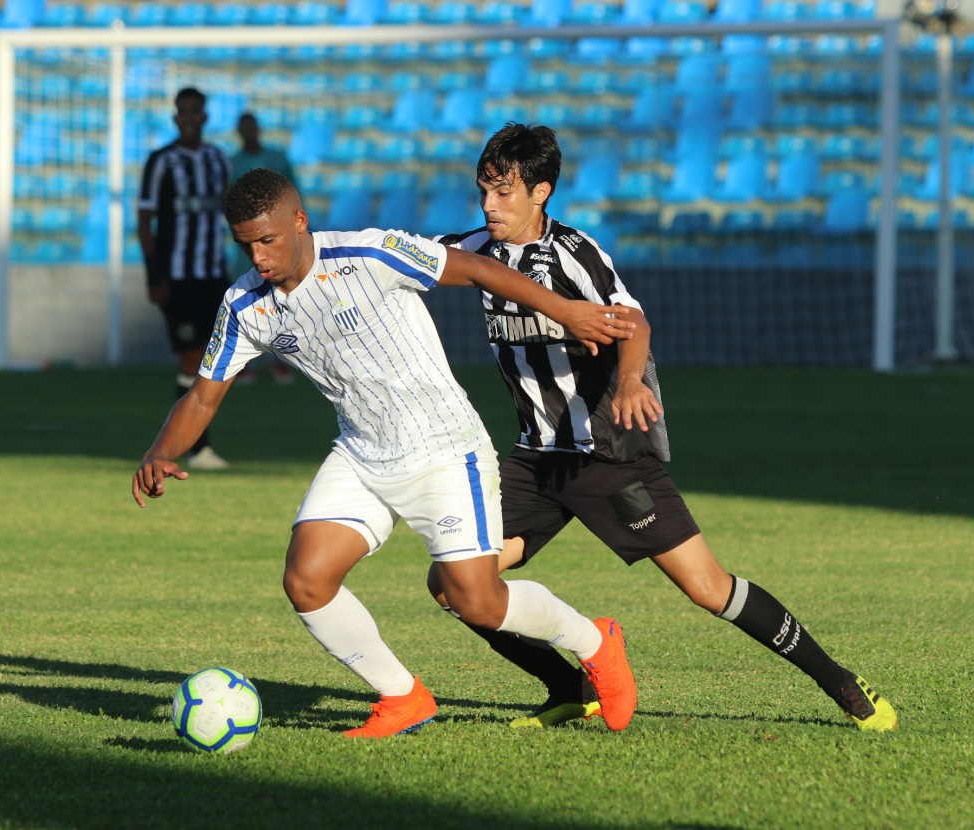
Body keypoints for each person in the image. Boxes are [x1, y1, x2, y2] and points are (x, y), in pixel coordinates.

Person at [132, 168, 641, 738]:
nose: (259, 255)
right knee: (307, 579)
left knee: (473, 599)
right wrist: (159, 451)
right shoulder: (245, 303)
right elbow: (202, 395)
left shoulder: (370, 253)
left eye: (268, 239)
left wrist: (565, 310)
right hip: (362, 454)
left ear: (299, 221)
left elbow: (475, 267)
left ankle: (596, 642)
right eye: (246, 244)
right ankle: (402, 697)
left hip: (447, 449)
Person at [428, 123, 899, 732]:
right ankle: (569, 687)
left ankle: (840, 681)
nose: (489, 206)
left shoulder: (575, 255)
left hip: (607, 457)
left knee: (708, 587)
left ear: (541, 192)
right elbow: (398, 255)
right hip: (534, 459)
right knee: (453, 583)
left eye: (504, 193)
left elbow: (635, 324)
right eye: (483, 192)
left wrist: (628, 384)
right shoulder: (472, 248)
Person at [137, 87, 234, 470]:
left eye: (196, 110)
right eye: (184, 111)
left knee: (211, 358)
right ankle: (198, 448)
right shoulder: (161, 161)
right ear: (175, 117)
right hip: (178, 277)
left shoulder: (217, 159)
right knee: (193, 358)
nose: (190, 117)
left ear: (205, 116)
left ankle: (198, 446)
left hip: (212, 273)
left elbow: (228, 214)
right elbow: (145, 221)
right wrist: (153, 273)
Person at [227, 111, 297, 386]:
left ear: (257, 129)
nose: (248, 132)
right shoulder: (233, 163)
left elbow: (292, 193)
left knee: (281, 297)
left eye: (251, 127)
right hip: (246, 247)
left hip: (275, 241)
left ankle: (282, 360)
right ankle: (245, 363)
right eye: (243, 127)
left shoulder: (277, 159)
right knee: (247, 299)